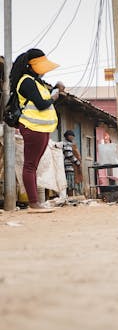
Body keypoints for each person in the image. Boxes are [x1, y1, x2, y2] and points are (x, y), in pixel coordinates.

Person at [11, 49, 63, 210]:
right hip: (33, 128)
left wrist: (54, 89)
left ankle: (36, 202)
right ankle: (34, 203)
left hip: (41, 128)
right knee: (30, 166)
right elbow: (42, 103)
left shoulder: (35, 82)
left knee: (32, 165)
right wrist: (54, 97)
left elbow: (41, 98)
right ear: (31, 65)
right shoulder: (27, 81)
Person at [62, 130, 83, 196]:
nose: (71, 137)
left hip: (73, 166)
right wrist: (77, 162)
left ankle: (73, 197)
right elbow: (69, 155)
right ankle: (70, 196)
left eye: (72, 136)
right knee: (70, 183)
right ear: (66, 136)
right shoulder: (66, 144)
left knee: (73, 182)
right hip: (69, 166)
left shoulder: (71, 144)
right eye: (70, 136)